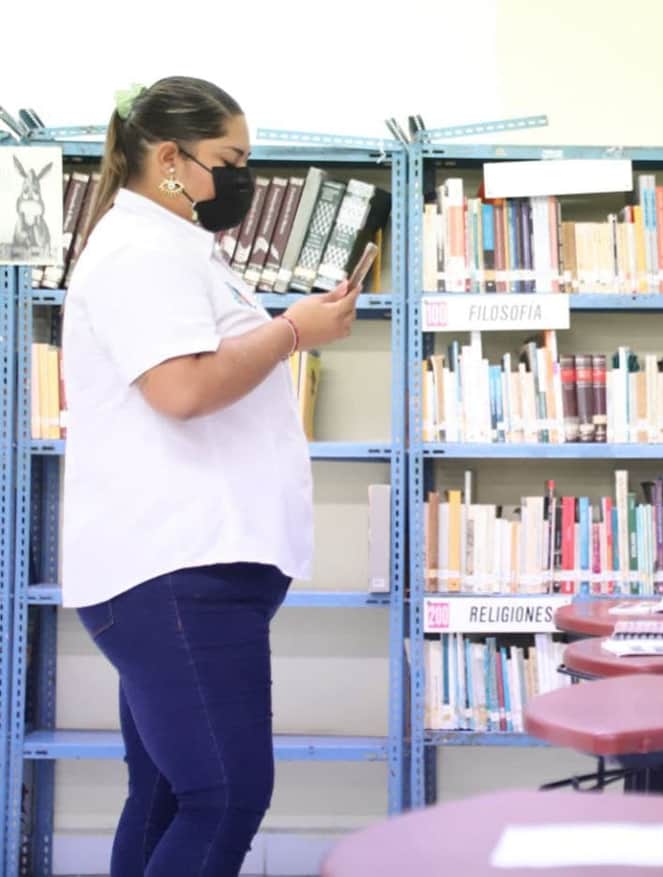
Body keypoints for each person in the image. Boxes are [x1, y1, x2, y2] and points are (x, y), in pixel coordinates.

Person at [61, 77, 362, 877]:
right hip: (173, 567)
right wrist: (293, 330)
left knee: (168, 792)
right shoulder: (138, 252)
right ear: (169, 157)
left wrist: (286, 328)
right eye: (229, 162)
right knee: (225, 793)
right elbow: (183, 388)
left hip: (190, 566)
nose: (242, 180)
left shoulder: (177, 246)